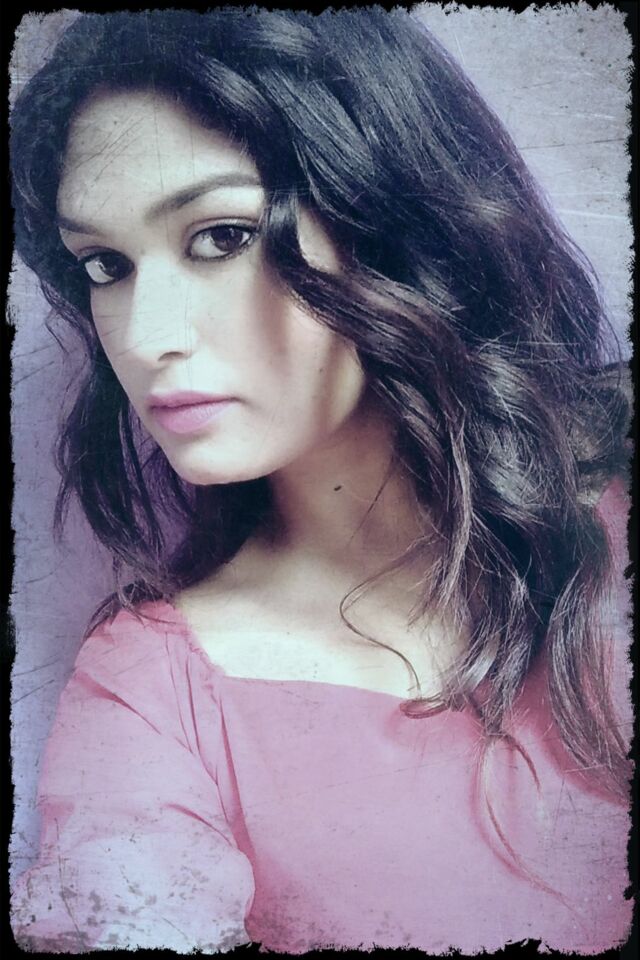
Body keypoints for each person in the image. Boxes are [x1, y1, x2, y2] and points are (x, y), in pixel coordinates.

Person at [9, 7, 631, 954]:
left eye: (221, 237)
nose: (143, 335)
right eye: (106, 265)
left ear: (392, 222)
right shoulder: (154, 691)